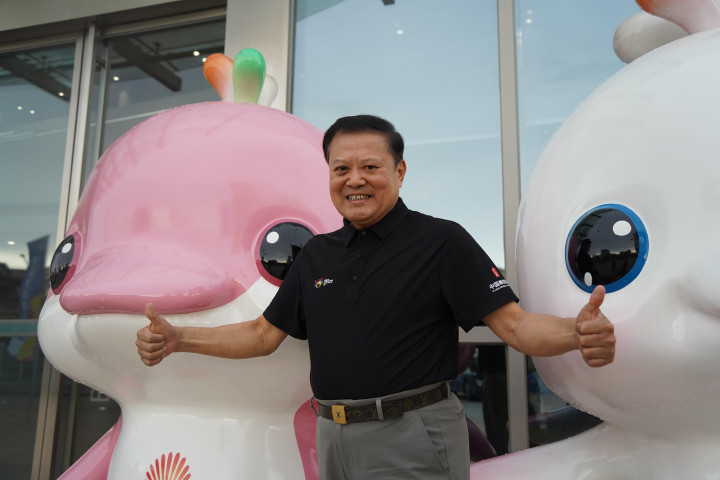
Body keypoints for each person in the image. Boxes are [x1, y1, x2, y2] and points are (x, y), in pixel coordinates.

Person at [136, 114, 615, 480]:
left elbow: (514, 324)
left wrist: (576, 332)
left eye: (370, 167)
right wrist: (179, 338)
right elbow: (262, 335)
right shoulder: (317, 255)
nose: (355, 179)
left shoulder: (441, 242)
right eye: (341, 168)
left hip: (412, 432)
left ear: (400, 171)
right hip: (333, 434)